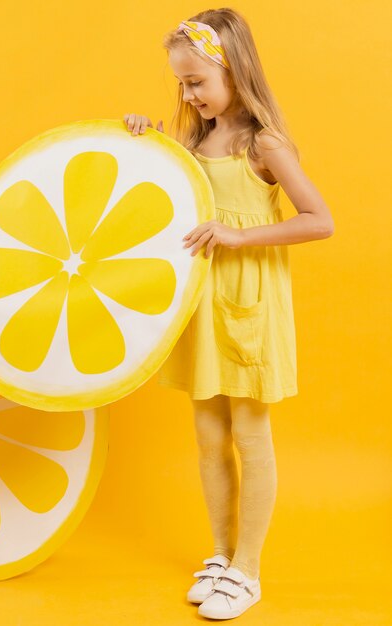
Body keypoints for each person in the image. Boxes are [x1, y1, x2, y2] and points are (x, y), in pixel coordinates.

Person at [123, 8, 334, 620]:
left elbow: (319, 220)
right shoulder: (190, 142)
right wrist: (143, 138)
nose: (188, 94)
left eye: (196, 82)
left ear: (235, 71)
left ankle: (248, 569)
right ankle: (220, 554)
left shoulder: (262, 144)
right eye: (181, 84)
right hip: (201, 308)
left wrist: (238, 238)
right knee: (209, 437)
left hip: (249, 309)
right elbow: (157, 196)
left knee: (250, 435)